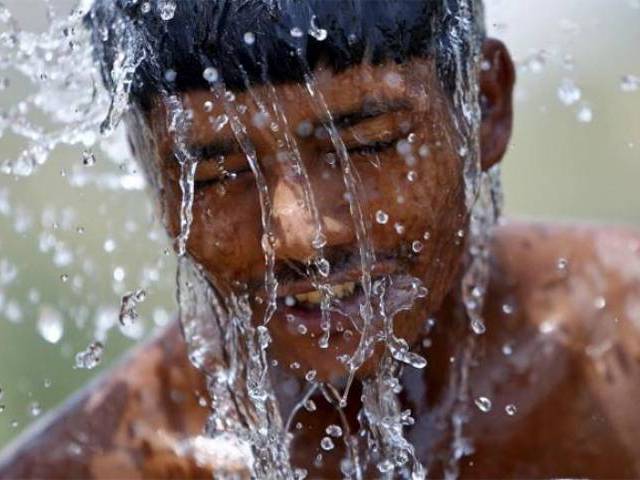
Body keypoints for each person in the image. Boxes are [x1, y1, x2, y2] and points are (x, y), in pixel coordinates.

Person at [1, 0, 640, 478]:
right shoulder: (99, 464)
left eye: (365, 144)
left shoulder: (622, 354)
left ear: (484, 104)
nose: (300, 236)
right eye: (219, 175)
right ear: (151, 174)